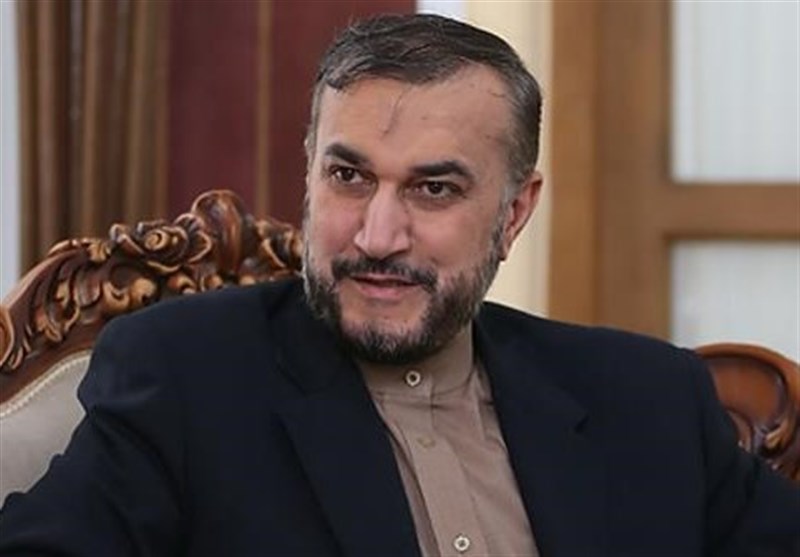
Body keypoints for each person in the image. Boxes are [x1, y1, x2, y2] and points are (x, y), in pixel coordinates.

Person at [1, 12, 798, 557]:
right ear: (309, 175)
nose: (377, 235)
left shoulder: (650, 397)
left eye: (434, 188)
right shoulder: (184, 377)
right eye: (349, 176)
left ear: (514, 212)